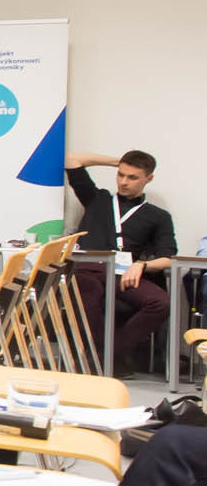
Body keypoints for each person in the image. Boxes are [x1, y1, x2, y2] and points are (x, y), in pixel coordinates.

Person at [66, 150, 179, 375]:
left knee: (160, 303)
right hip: (90, 269)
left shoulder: (158, 216)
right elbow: (72, 159)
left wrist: (142, 265)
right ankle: (102, 360)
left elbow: (168, 257)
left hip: (123, 273)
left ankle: (106, 357)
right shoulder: (97, 199)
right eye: (121, 175)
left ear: (148, 178)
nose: (124, 182)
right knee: (86, 291)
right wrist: (117, 162)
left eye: (132, 177)